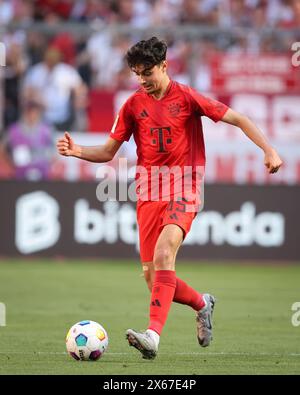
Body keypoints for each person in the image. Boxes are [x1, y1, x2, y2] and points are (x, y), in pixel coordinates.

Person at [56, 37, 283, 360]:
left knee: (165, 255)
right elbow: (108, 151)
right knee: (154, 280)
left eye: (147, 71)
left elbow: (239, 119)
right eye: (136, 73)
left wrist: (268, 149)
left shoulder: (188, 97)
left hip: (184, 186)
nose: (142, 79)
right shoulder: (133, 105)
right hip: (148, 192)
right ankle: (202, 304)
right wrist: (77, 150)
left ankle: (152, 336)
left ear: (164, 65)